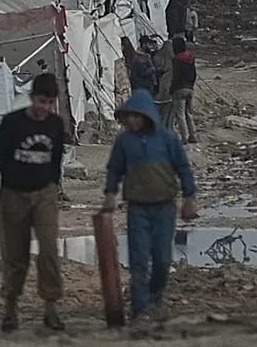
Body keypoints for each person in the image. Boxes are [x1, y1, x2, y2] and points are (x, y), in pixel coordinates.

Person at [100, 91, 198, 329]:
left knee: (163, 260)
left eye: (136, 116)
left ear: (146, 116)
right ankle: (139, 308)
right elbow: (115, 169)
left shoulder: (167, 139)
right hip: (137, 208)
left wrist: (189, 197)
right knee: (138, 261)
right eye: (129, 117)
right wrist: (110, 195)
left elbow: (183, 168)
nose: (132, 121)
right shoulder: (125, 141)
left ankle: (156, 297)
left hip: (164, 206)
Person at [0, 72, 66, 333]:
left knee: (50, 250)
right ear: (32, 99)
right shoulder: (12, 123)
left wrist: (53, 187)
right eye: (41, 101)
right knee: (14, 255)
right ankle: (10, 308)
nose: (44, 108)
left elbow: (56, 161)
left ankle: (51, 307)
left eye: (49, 102)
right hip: (12, 194)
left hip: (44, 193)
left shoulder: (56, 125)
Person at [166, 36, 196, 144]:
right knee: (189, 113)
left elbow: (176, 76)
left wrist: (171, 89)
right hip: (190, 88)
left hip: (179, 89)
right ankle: (193, 135)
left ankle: (184, 138)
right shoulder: (191, 58)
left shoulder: (177, 59)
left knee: (180, 115)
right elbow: (194, 74)